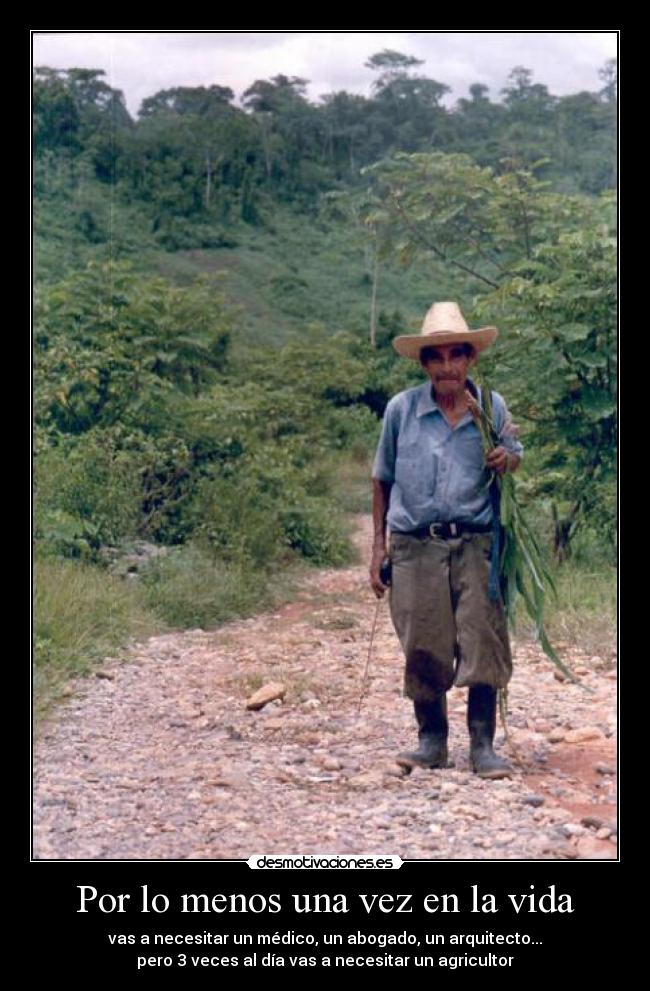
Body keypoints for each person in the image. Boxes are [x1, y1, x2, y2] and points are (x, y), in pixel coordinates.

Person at [369, 301, 523, 779]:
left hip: (476, 542)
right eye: (436, 357)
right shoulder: (401, 411)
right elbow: (382, 478)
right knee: (423, 642)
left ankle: (483, 746)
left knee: (483, 638)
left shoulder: (491, 406)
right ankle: (431, 740)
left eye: (457, 354)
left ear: (470, 358)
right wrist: (379, 547)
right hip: (415, 546)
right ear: (424, 363)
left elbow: (514, 455)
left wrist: (506, 459)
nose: (447, 365)